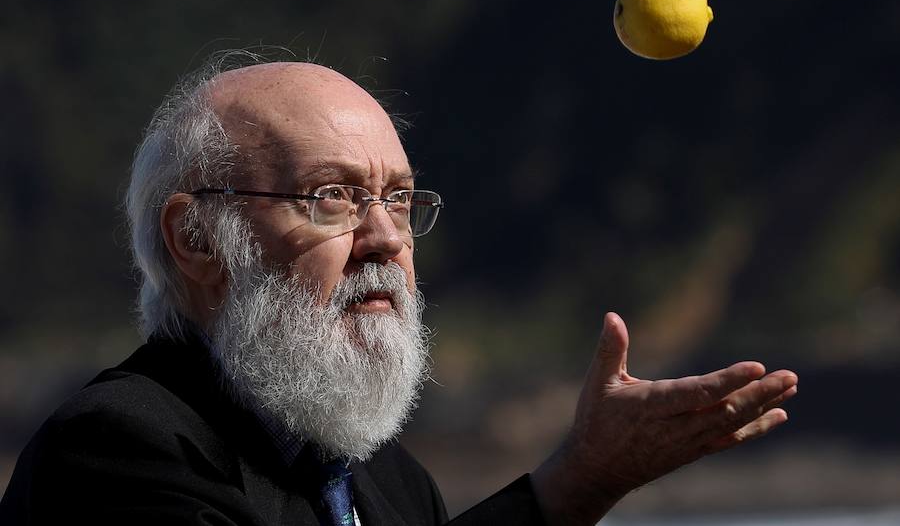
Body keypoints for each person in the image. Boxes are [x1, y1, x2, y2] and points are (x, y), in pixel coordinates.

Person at [0, 54, 798, 525]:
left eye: (398, 200)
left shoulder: (387, 479)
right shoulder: (119, 450)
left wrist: (585, 473)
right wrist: (576, 482)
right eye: (333, 198)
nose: (384, 237)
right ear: (199, 239)